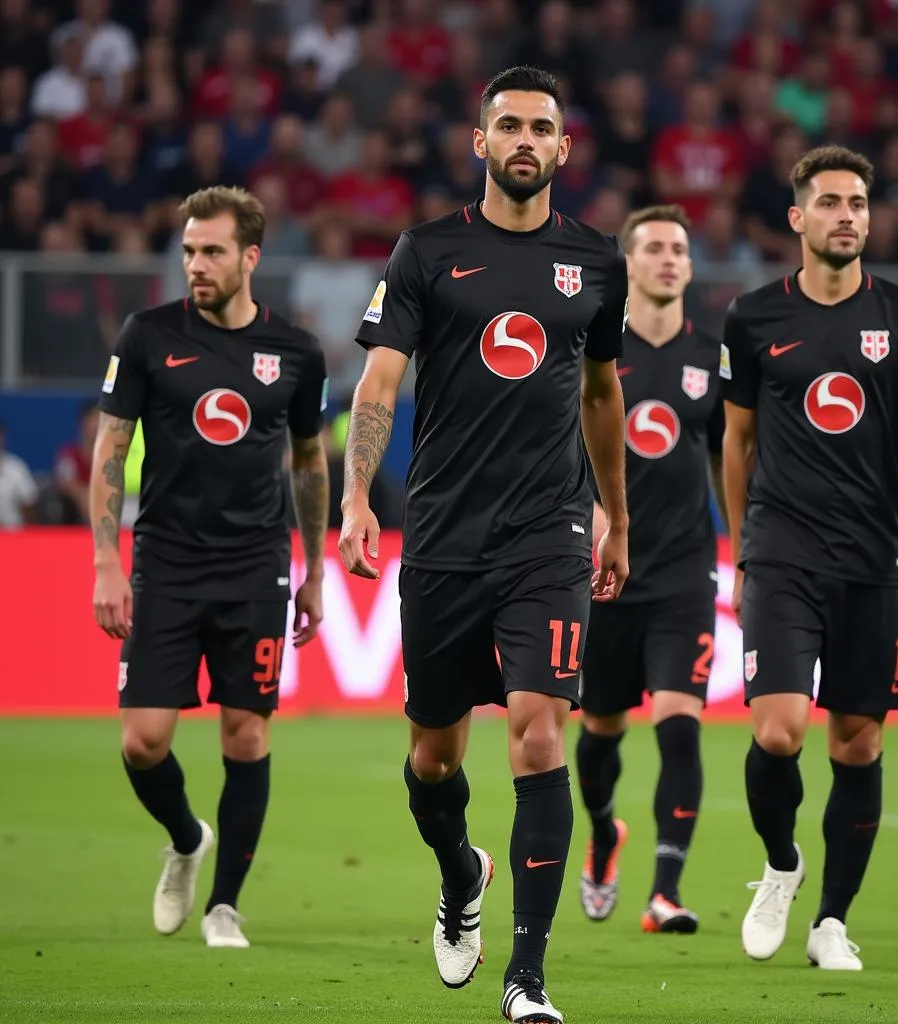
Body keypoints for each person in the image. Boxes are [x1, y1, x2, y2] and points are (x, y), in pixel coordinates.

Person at [339, 66, 629, 1024]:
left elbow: (600, 394)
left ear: (562, 147)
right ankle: (461, 872)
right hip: (444, 537)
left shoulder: (595, 262)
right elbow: (379, 384)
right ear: (479, 142)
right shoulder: (425, 252)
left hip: (547, 536)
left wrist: (614, 516)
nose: (523, 139)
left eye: (540, 127)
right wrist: (355, 496)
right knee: (432, 760)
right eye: (507, 124)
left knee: (540, 733)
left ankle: (529, 978)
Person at [720, 145, 898, 971]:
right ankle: (781, 861)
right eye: (830, 203)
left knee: (857, 744)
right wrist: (744, 542)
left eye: (858, 202)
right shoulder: (753, 317)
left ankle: (830, 922)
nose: (847, 215)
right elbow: (736, 441)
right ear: (798, 218)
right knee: (779, 731)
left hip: (872, 560)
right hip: (781, 554)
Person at [90, 185, 329, 949]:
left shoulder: (296, 352)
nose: (196, 264)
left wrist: (316, 570)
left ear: (250, 257)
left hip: (256, 565)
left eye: (212, 251)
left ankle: (225, 905)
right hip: (165, 561)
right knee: (143, 742)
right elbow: (109, 450)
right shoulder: (147, 335)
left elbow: (309, 463)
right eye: (189, 250)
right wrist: (105, 560)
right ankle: (188, 838)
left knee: (246, 736)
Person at [575, 204, 726, 934]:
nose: (669, 258)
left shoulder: (713, 359)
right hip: (607, 573)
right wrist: (596, 523)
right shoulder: (597, 355)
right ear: (628, 264)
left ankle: (665, 891)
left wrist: (748, 540)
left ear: (690, 268)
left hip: (684, 573)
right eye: (655, 248)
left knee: (679, 726)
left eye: (679, 249)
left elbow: (736, 453)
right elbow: (567, 454)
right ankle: (604, 833)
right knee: (600, 731)